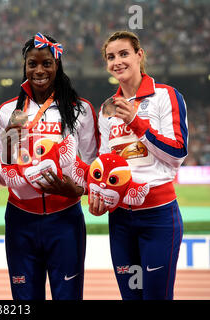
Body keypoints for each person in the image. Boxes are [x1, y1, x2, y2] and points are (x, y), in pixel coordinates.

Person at [0, 33, 98, 300]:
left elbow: (90, 166)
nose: (39, 70)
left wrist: (76, 189)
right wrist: (9, 138)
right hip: (20, 219)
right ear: (25, 67)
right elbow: (4, 167)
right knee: (24, 298)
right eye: (32, 64)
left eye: (47, 63)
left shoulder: (80, 110)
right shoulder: (9, 111)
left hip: (64, 218)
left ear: (57, 65)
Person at [91, 30, 188, 300]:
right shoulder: (106, 108)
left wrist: (136, 121)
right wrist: (99, 196)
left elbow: (177, 153)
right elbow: (105, 162)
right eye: (111, 57)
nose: (117, 61)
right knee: (131, 297)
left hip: (158, 216)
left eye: (124, 54)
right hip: (120, 219)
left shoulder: (166, 96)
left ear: (139, 55)